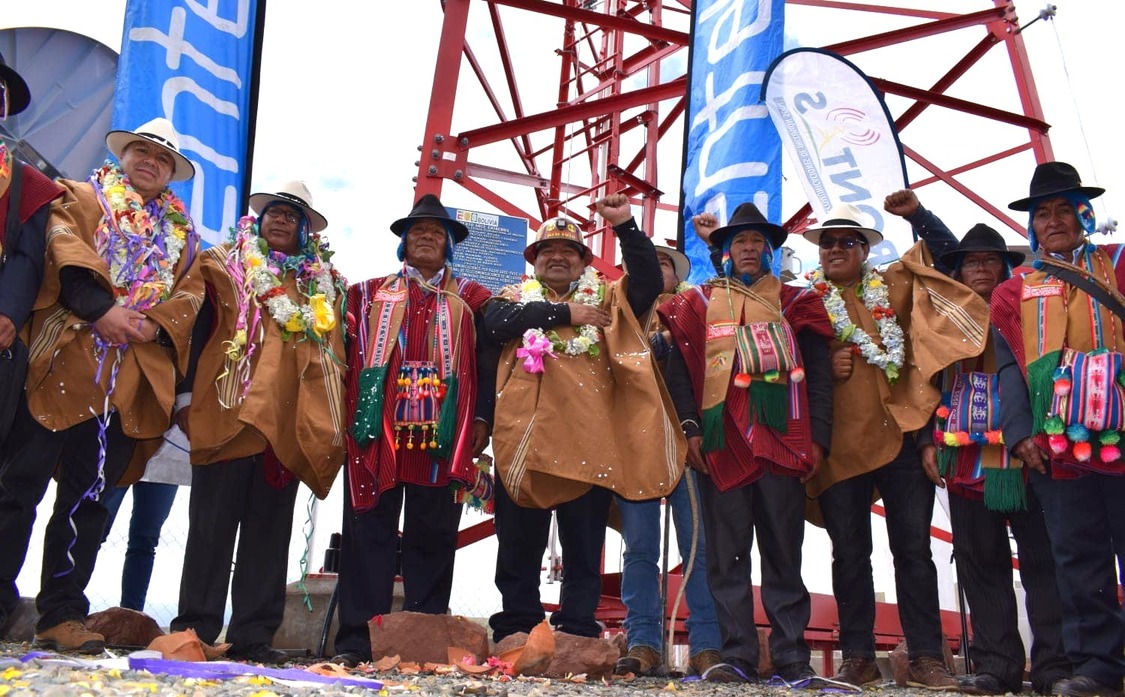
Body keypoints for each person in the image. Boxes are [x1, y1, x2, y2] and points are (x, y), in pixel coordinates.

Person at [0, 117, 202, 653]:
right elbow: (63, 251)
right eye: (141, 150)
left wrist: (153, 324)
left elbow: (189, 296)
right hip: (61, 363)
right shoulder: (81, 197)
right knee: (17, 488)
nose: (150, 161)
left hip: (123, 379)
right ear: (124, 155)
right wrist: (103, 310)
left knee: (87, 500)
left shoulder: (184, 238)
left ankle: (61, 613)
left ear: (171, 174)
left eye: (161, 158)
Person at [885, 190, 1071, 696]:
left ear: (1006, 268)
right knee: (978, 560)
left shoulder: (1028, 310)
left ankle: (1054, 666)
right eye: (972, 263)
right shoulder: (945, 321)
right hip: (964, 453)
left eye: (991, 260)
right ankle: (996, 665)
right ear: (960, 272)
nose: (982, 269)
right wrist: (927, 441)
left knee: (1042, 560)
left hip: (1024, 452)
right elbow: (926, 382)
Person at [803, 202, 989, 690]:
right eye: (828, 242)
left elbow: (950, 262)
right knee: (849, 553)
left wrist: (921, 214)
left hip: (905, 436)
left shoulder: (893, 285)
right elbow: (784, 361)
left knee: (913, 551)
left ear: (866, 249)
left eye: (848, 241)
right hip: (840, 446)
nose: (836, 249)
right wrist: (826, 361)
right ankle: (857, 657)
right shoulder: (803, 301)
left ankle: (927, 657)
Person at [485, 194, 683, 645]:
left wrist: (626, 226)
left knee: (583, 543)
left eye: (569, 252)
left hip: (590, 437)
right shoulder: (513, 298)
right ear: (533, 261)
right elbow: (493, 324)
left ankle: (575, 626)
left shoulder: (609, 299)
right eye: (548, 251)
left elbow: (649, 282)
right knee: (517, 541)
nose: (558, 257)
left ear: (583, 263)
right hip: (523, 440)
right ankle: (518, 624)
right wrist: (563, 314)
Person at [169, 180, 347, 664]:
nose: (282, 218)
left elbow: (336, 357)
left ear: (307, 228)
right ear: (258, 219)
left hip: (285, 427)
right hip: (226, 410)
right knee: (211, 528)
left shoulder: (323, 286)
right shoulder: (222, 264)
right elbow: (194, 330)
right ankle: (194, 630)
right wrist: (184, 395)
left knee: (269, 536)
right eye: (273, 210)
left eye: (292, 214)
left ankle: (252, 635)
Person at [656, 204, 834, 684]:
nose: (750, 248)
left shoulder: (797, 303)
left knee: (783, 554)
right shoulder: (699, 304)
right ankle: (737, 656)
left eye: (757, 241)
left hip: (783, 442)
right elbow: (680, 374)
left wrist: (819, 439)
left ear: (770, 249)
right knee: (726, 556)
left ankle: (792, 657)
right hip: (723, 444)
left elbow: (818, 378)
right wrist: (691, 429)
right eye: (740, 241)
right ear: (726, 251)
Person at [330, 193, 492, 668]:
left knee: (434, 536)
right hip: (376, 433)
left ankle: (421, 639)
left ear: (449, 246)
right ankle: (357, 644)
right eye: (417, 231)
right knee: (367, 535)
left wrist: (483, 418)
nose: (425, 237)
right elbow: (335, 355)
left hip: (442, 436)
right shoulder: (364, 293)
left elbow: (487, 361)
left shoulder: (474, 298)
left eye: (436, 232)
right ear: (403, 243)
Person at [991, 162, 1125, 697]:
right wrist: (1019, 433)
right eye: (1042, 213)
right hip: (1058, 445)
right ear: (1032, 226)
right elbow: (1009, 367)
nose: (1053, 221)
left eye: (1064, 210)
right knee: (1077, 555)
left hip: (1122, 435)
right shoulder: (1012, 290)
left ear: (1083, 215)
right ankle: (1099, 666)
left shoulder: (1117, 264)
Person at [613, 243, 721, 678]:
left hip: (686, 439)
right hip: (634, 444)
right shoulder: (617, 313)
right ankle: (643, 642)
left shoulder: (698, 311)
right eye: (650, 264)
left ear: (679, 277)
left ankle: (707, 645)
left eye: (666, 265)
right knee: (639, 548)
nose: (658, 271)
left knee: (698, 545)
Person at [0, 54, 66, 636]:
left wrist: (8, 312)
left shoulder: (26, 183)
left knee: (11, 476)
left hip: (3, 341)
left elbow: (25, 255)